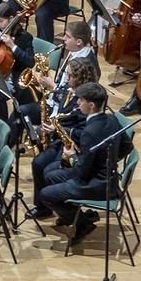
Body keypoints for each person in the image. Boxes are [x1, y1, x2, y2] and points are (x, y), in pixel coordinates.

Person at [36, 82, 132, 245]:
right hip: (106, 178)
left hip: (96, 184)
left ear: (91, 105)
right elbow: (128, 146)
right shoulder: (113, 119)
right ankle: (72, 216)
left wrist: (72, 156)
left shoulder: (90, 132)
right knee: (50, 176)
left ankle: (83, 223)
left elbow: (82, 172)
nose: (78, 103)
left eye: (81, 101)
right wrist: (109, 160)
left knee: (45, 194)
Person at [23, 56, 99, 219]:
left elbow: (83, 131)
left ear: (80, 78)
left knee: (50, 171)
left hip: (73, 146)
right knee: (38, 163)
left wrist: (58, 129)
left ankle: (67, 211)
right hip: (59, 137)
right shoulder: (67, 89)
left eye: (70, 75)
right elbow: (59, 110)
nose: (66, 78)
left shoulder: (86, 99)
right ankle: (42, 207)